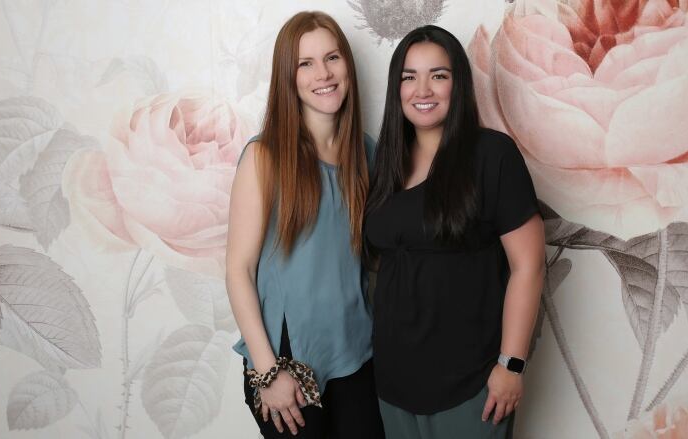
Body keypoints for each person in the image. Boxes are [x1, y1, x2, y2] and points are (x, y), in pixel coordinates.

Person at [364, 25, 545, 438]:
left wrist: (511, 364)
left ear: (458, 83)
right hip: (393, 382)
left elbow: (529, 265)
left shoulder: (492, 156)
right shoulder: (385, 165)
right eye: (409, 77)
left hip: (472, 383)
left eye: (438, 75)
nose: (422, 89)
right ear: (397, 88)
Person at [226, 11, 384, 439]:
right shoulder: (265, 158)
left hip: (356, 356)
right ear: (288, 77)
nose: (324, 73)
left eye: (332, 57)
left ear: (348, 65)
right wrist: (267, 372)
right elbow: (238, 270)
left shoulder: (366, 155)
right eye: (306, 63)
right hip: (286, 363)